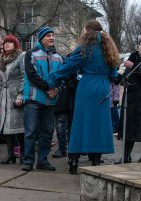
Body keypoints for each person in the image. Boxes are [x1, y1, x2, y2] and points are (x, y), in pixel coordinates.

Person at [48, 20, 119, 172]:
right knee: (99, 125)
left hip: (87, 86)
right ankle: (96, 162)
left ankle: (74, 162)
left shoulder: (86, 47)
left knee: (80, 123)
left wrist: (52, 77)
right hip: (103, 87)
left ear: (88, 31)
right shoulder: (109, 48)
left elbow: (69, 66)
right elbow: (113, 73)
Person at [22, 26, 63, 172]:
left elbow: (62, 77)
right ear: (41, 38)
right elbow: (32, 75)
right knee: (31, 131)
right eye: (48, 35)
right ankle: (28, 161)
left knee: (47, 132)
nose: (51, 37)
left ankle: (43, 160)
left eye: (53, 35)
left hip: (50, 101)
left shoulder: (58, 57)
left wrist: (57, 89)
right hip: (34, 99)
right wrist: (48, 89)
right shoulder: (31, 54)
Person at [0, 34, 25, 164]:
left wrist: (20, 95)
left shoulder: (21, 57)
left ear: (15, 44)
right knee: (6, 127)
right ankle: (10, 154)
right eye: (5, 43)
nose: (6, 45)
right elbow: (0, 80)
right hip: (4, 98)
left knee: (19, 127)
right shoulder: (2, 59)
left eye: (10, 42)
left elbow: (24, 77)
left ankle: (23, 154)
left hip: (15, 97)